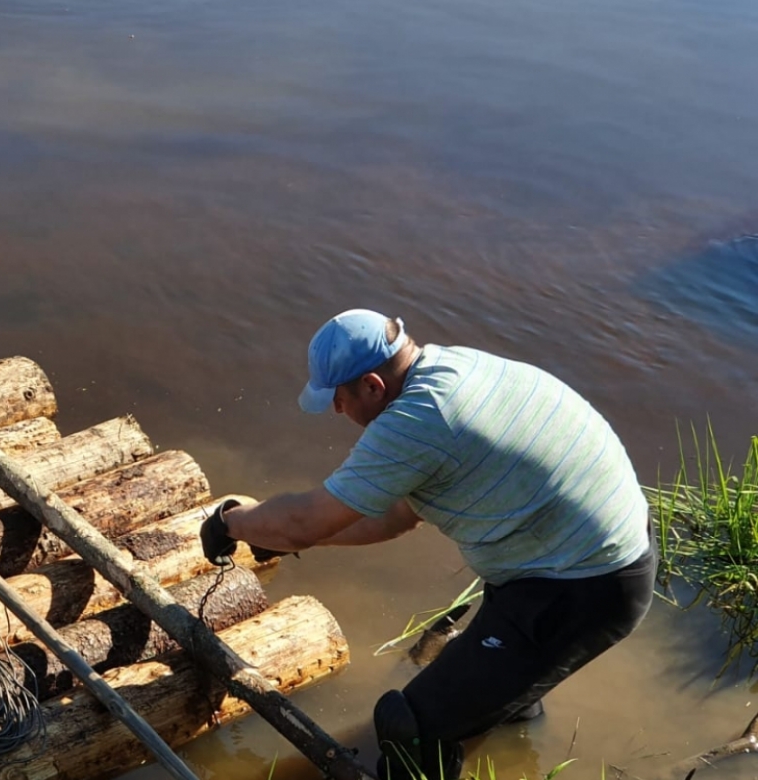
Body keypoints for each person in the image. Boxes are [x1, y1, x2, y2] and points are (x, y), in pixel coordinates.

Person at [200, 309, 654, 780]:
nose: (336, 412)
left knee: (408, 726)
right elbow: (395, 518)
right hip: (578, 553)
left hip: (582, 586)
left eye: (338, 399)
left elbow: (302, 521)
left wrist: (231, 523)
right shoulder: (453, 367)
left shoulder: (417, 420)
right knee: (501, 684)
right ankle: (514, 745)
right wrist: (289, 538)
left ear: (373, 386)